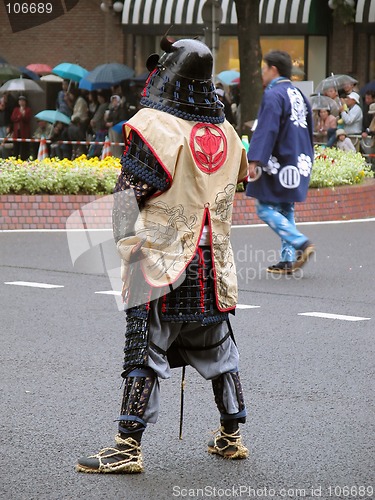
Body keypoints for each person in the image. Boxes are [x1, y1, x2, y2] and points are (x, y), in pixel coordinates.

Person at [76, 37, 249, 474]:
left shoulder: (154, 125)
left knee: (144, 349)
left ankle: (126, 447)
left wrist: (126, 248)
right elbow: (236, 186)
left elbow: (128, 196)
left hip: (161, 259)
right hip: (212, 263)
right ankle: (231, 436)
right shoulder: (227, 132)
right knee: (218, 346)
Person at [246, 50, 315, 275]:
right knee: (286, 206)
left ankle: (300, 243)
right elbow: (309, 129)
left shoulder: (273, 94)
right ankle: (287, 259)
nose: (262, 73)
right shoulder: (298, 94)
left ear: (273, 69)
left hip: (278, 159)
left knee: (264, 207)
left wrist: (254, 159)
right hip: (297, 158)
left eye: (264, 68)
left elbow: (267, 129)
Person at [10, 95, 32, 160]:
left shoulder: (28, 110)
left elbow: (27, 119)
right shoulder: (16, 109)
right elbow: (13, 118)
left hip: (24, 131)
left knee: (24, 147)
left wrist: (22, 116)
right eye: (20, 101)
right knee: (16, 147)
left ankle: (24, 159)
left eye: (23, 101)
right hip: (17, 131)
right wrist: (20, 115)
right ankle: (15, 159)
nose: (21, 102)